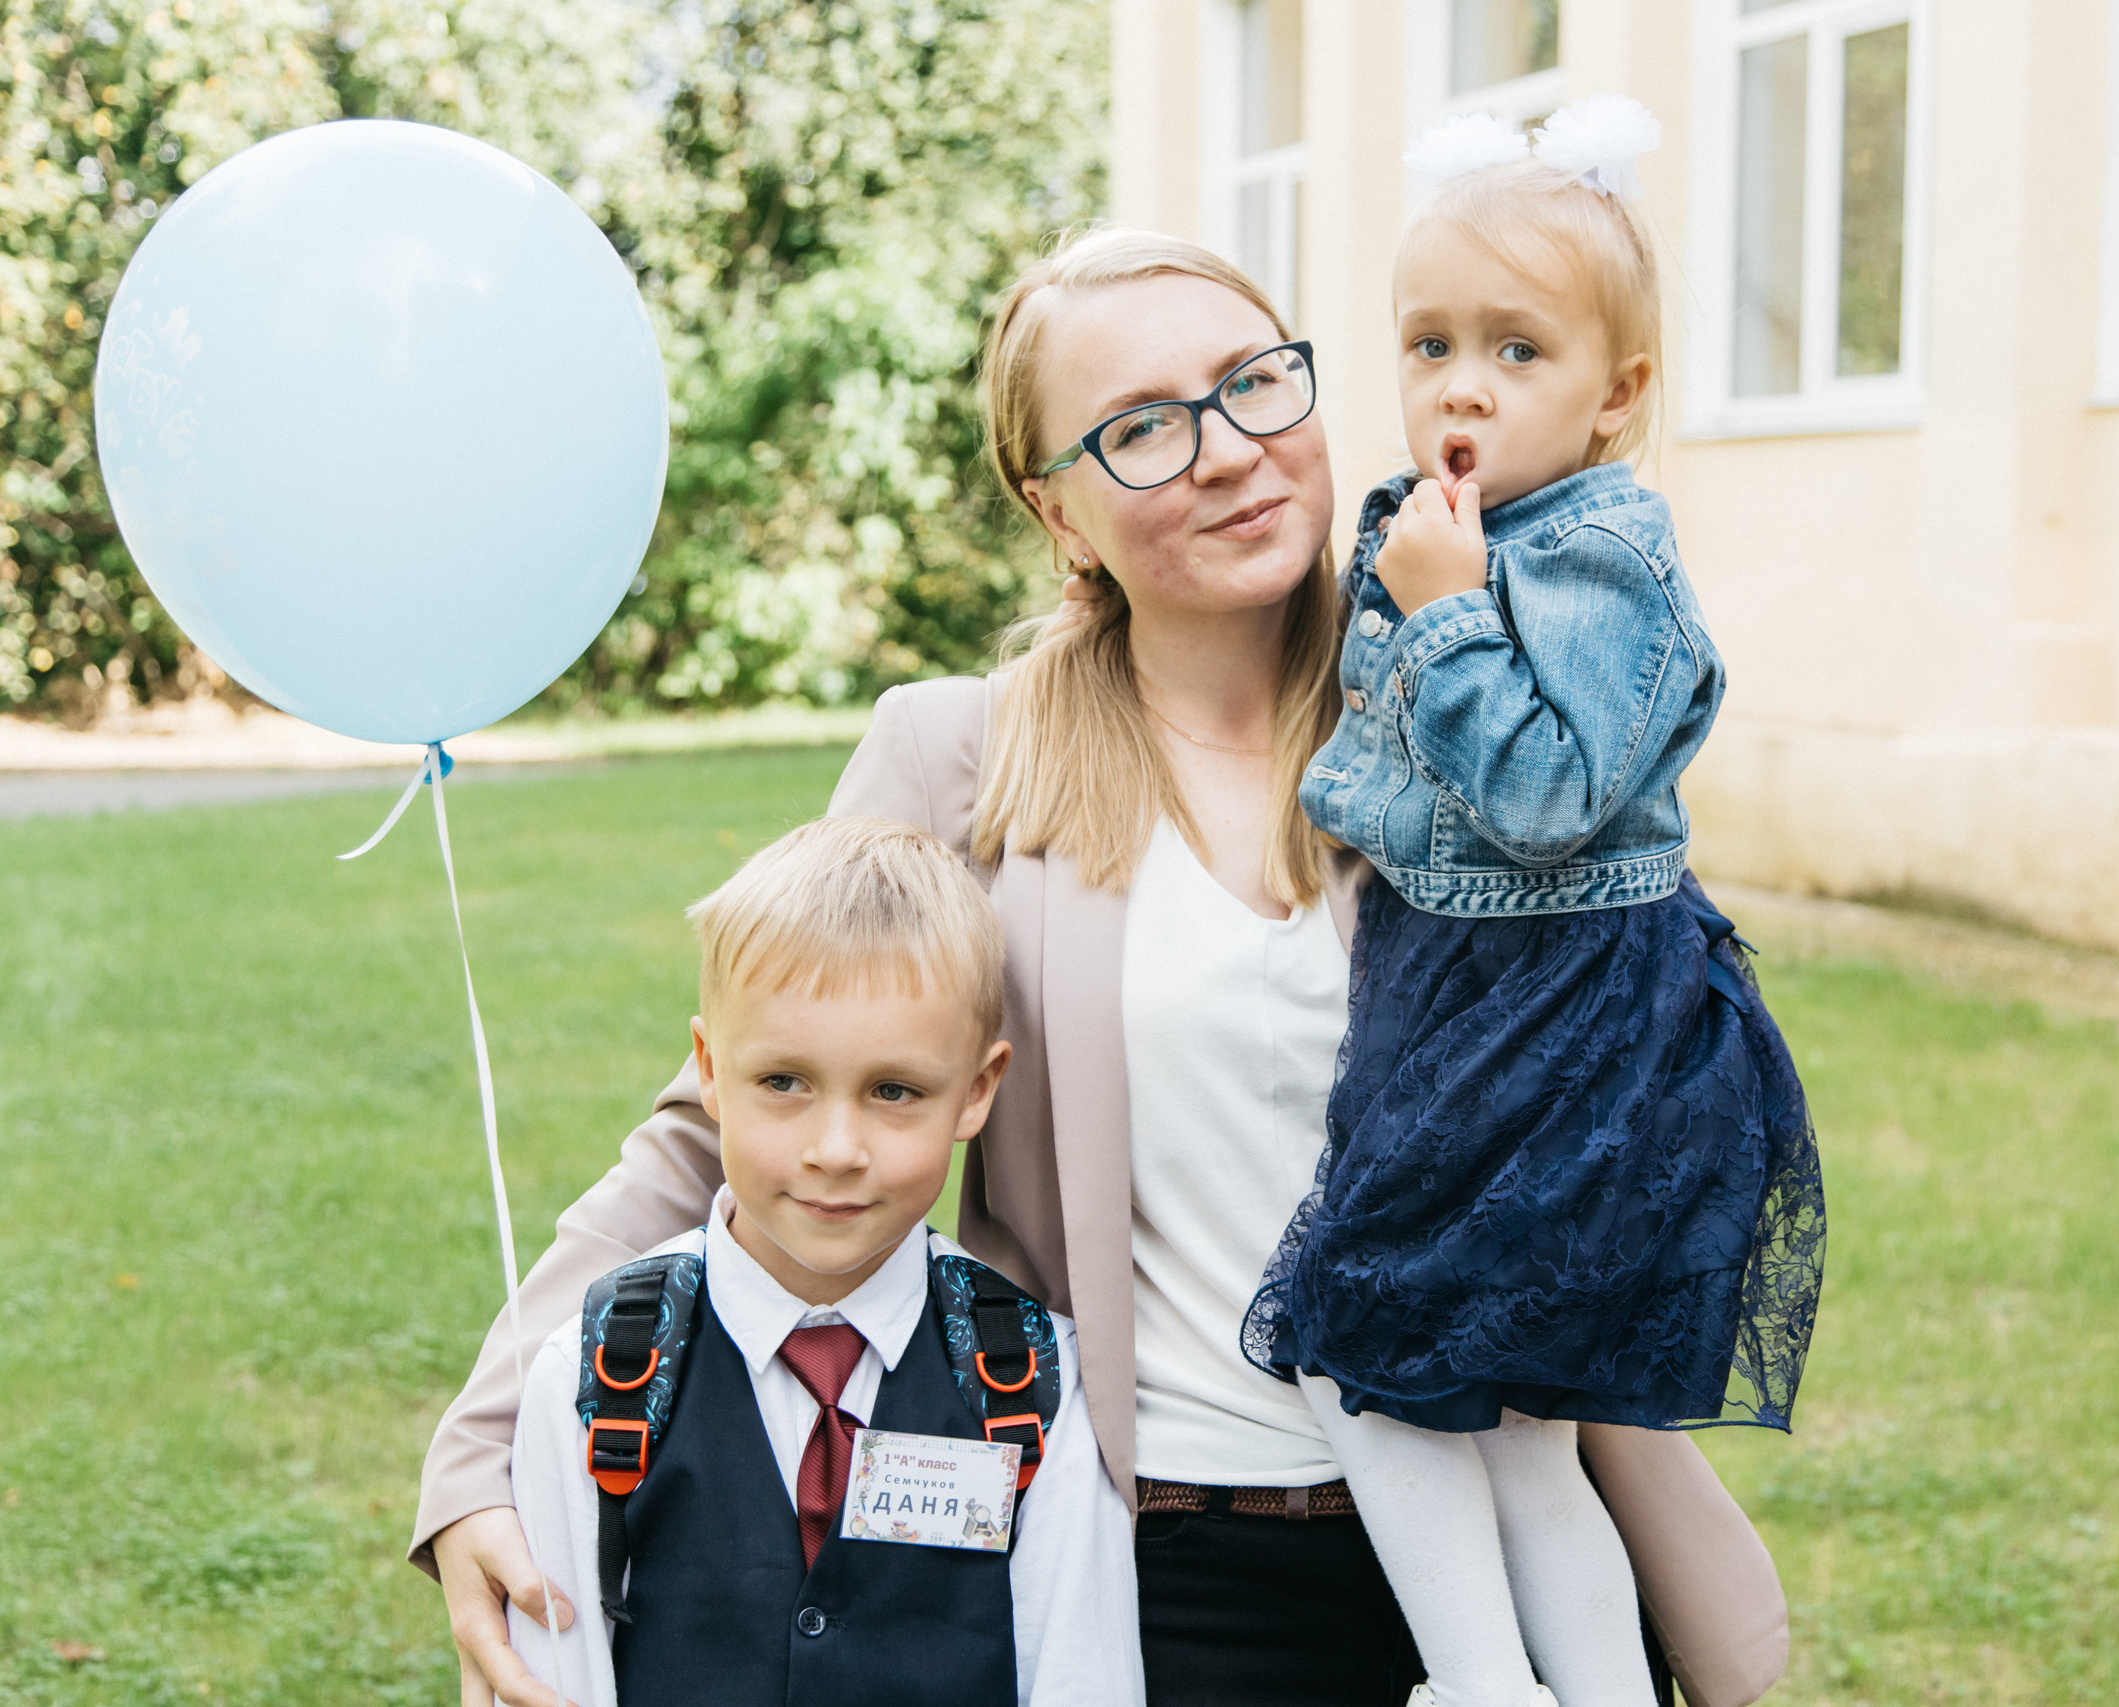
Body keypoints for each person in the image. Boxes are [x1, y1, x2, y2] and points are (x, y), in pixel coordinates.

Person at [411, 227, 1793, 1707]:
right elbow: (719, 1129)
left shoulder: (1485, 692)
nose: (1225, 453)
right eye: (1139, 427)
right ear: (1054, 506)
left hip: (1515, 1535)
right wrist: (486, 1446)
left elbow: (1646, 1055)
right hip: (1166, 1568)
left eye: (1256, 384)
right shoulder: (959, 759)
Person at [1238, 101, 1826, 1707]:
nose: (1462, 384)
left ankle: (1485, 1684)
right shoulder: (1476, 527)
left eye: (1518, 348)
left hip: (1557, 1016)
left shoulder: (1597, 556)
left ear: (1618, 395)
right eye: (1429, 343)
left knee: (1367, 1365)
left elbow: (1549, 796)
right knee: (1506, 1428)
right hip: (1473, 991)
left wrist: (1439, 619)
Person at [498, 816, 1141, 1706]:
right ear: (711, 1070)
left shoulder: (1037, 1383)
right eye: (784, 1081)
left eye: (893, 1091)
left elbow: (1083, 1680)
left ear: (977, 1090)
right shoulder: (596, 1374)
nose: (836, 1149)